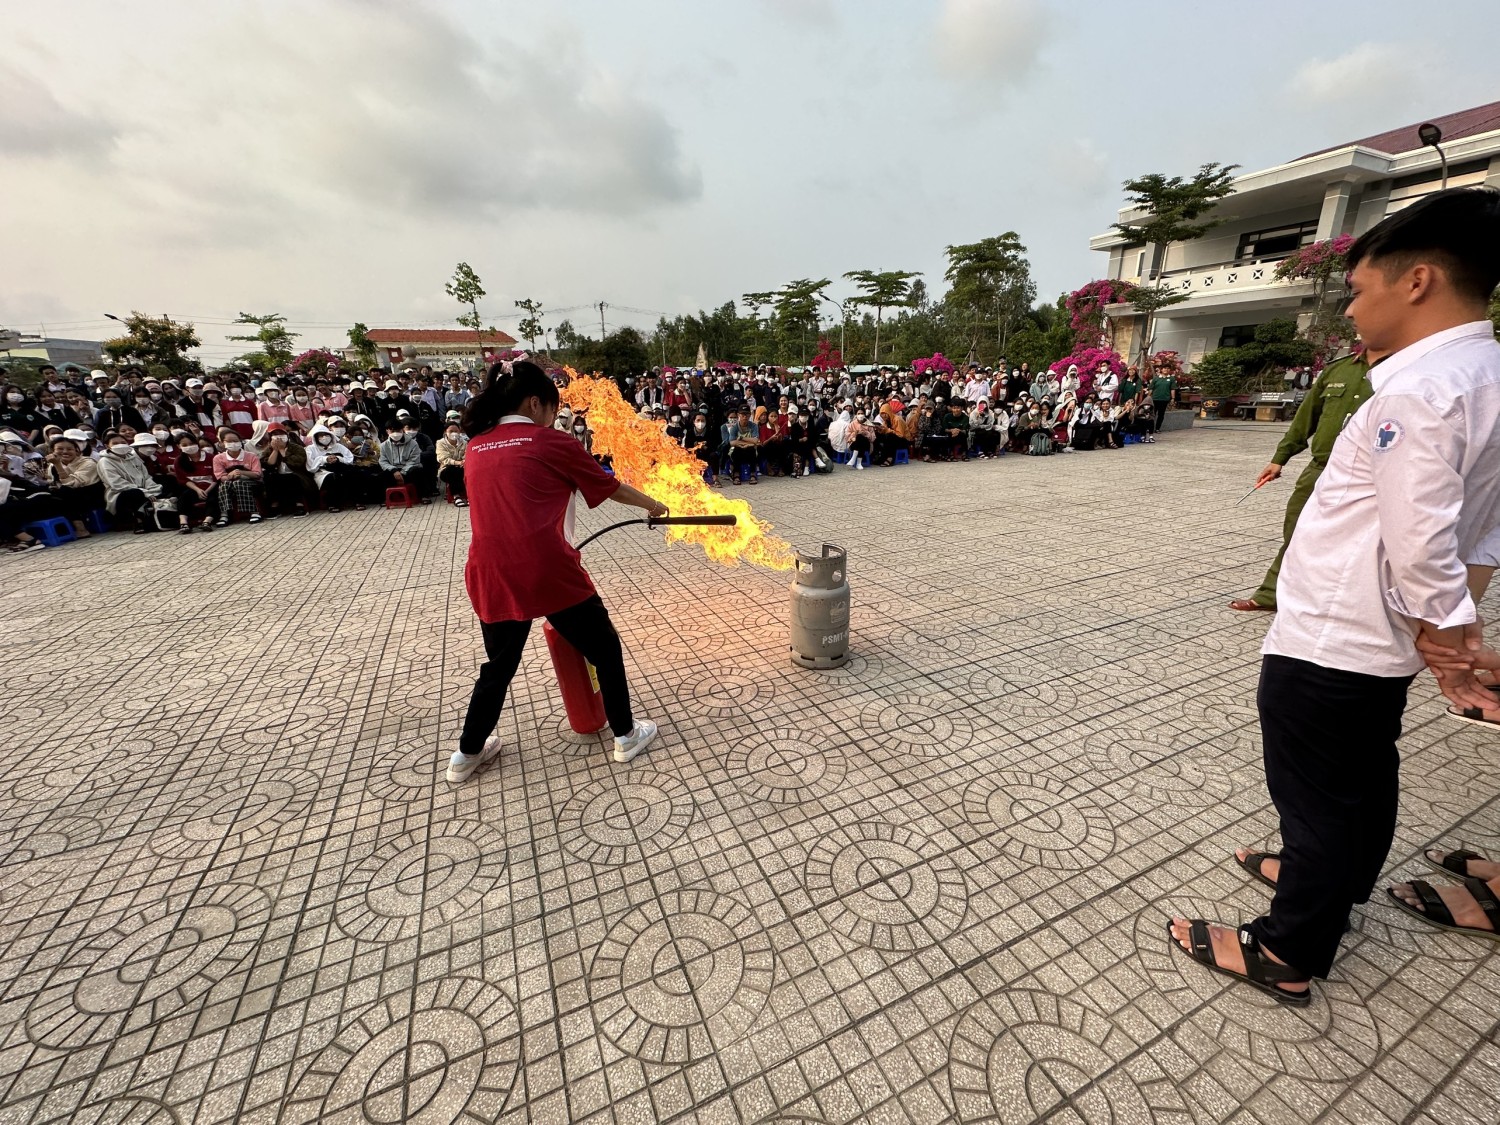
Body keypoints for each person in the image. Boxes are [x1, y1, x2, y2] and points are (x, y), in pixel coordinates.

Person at [1169, 187, 1500, 1005]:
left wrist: (1448, 635)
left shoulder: (1418, 392)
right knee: (1362, 774)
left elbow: (1420, 537)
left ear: (1417, 280)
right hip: (1380, 640)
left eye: (1357, 289)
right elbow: (1482, 530)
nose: (1350, 309)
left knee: (1314, 795)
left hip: (1335, 635)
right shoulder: (1485, 375)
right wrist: (1451, 632)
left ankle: (1288, 946)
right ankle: (1334, 881)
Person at [449, 360, 666, 783]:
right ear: (535, 403)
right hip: (546, 570)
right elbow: (609, 487)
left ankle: (465, 754)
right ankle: (625, 735)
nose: (553, 414)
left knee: (498, 667)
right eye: (552, 406)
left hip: (490, 572)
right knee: (604, 649)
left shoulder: (476, 445)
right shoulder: (550, 441)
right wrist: (654, 505)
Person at [1229, 351, 1375, 612]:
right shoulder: (1338, 369)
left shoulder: (1406, 369)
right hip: (1322, 467)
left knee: (1359, 543)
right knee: (1296, 530)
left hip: (1370, 475)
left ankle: (1340, 604)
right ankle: (1271, 594)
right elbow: (1307, 416)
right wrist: (1280, 458)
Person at [43, 435, 104, 538]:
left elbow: (72, 484)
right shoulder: (52, 466)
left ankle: (81, 528)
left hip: (92, 495)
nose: (65, 452)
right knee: (48, 497)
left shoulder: (88, 463)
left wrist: (58, 465)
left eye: (69, 449)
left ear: (77, 451)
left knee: (65, 492)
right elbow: (52, 482)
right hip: (69, 499)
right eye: (60, 449)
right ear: (52, 452)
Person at [212, 426, 264, 525]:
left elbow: (257, 474)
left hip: (252, 482)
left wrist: (241, 472)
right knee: (225, 485)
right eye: (229, 441)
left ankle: (254, 512)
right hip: (230, 482)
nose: (233, 443)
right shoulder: (218, 458)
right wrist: (231, 476)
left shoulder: (251, 456)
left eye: (236, 441)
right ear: (222, 443)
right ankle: (224, 514)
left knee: (238, 483)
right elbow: (221, 477)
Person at [306, 422, 356, 512]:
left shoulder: (338, 446)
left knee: (352, 474)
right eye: (321, 435)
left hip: (340, 468)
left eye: (326, 434)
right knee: (332, 478)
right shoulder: (311, 449)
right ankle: (333, 504)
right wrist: (324, 459)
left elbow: (350, 459)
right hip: (322, 473)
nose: (324, 437)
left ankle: (356, 501)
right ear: (316, 438)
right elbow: (311, 467)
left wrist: (338, 458)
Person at [722, 408, 761, 485]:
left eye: (747, 414)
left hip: (750, 449)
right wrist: (748, 442)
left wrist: (741, 438)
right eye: (743, 415)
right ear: (738, 415)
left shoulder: (754, 426)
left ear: (750, 415)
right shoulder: (734, 427)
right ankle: (736, 474)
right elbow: (732, 442)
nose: (745, 417)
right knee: (736, 450)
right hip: (737, 449)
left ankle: (753, 474)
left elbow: (756, 441)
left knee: (751, 450)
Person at [435, 417, 469, 506]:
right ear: (445, 432)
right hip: (446, 470)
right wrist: (457, 462)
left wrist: (464, 462)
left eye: (456, 431)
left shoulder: (464, 443)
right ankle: (456, 496)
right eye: (451, 431)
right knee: (452, 470)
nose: (454, 433)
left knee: (465, 471)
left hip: (462, 467)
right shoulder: (440, 443)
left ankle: (468, 495)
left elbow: (467, 455)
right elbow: (443, 458)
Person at [1149, 363, 1177, 432]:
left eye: (1168, 368)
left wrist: (1173, 398)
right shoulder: (1156, 378)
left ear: (1169, 370)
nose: (1166, 370)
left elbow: (1172, 389)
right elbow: (1151, 388)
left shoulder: (1171, 378)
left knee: (1161, 414)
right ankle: (1150, 428)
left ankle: (1157, 428)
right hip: (1155, 398)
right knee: (1152, 414)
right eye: (1164, 368)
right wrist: (1148, 397)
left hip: (1164, 399)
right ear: (1161, 369)